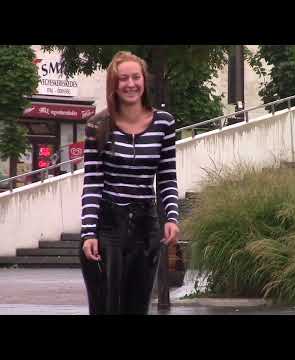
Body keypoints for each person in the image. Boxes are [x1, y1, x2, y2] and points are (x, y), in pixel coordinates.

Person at [79, 51, 180, 314]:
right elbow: (92, 182)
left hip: (146, 227)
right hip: (108, 226)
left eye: (136, 77)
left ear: (144, 81)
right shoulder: (97, 126)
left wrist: (171, 217)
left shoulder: (164, 124)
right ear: (114, 85)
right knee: (106, 307)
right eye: (123, 78)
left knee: (137, 307)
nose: (130, 84)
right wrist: (88, 232)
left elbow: (167, 177)